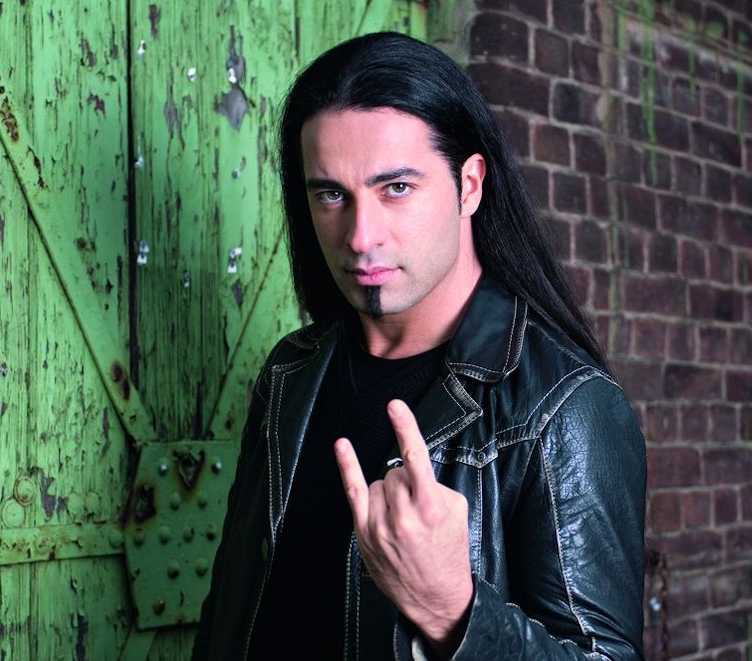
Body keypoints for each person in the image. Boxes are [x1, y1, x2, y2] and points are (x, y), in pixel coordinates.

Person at [193, 31, 647, 660]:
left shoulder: (563, 408)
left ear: (470, 185)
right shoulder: (289, 373)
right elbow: (230, 609)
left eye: (397, 188)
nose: (360, 236)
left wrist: (452, 610)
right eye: (331, 194)